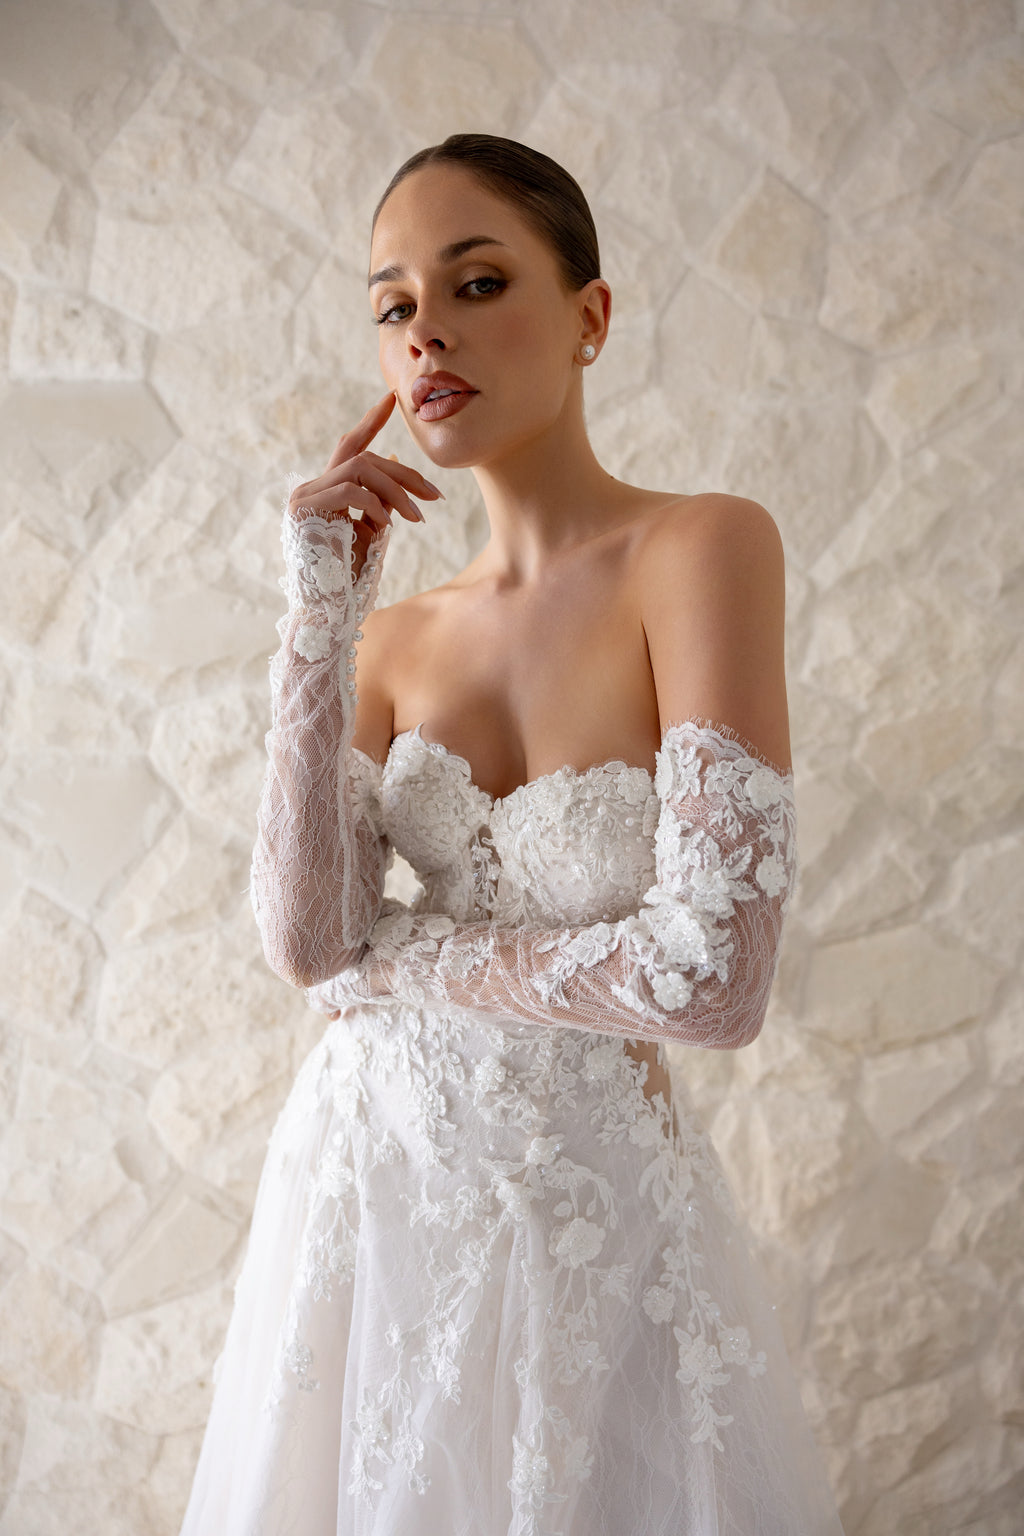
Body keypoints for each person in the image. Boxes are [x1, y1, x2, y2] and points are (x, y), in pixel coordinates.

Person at [180, 134, 844, 1534]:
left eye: (476, 283)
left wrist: (403, 964)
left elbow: (713, 981)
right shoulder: (390, 637)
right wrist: (319, 616)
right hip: (371, 1196)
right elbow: (310, 940)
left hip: (601, 1217)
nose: (426, 332)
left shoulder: (701, 548)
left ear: (590, 316)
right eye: (394, 305)